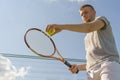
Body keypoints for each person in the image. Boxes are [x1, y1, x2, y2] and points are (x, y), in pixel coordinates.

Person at [46, 4, 120, 80]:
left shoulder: (101, 19)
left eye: (86, 12)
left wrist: (61, 27)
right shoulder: (86, 39)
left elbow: (90, 27)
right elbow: (90, 62)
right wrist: (78, 67)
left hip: (108, 66)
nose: (83, 15)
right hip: (91, 73)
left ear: (94, 12)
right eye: (81, 14)